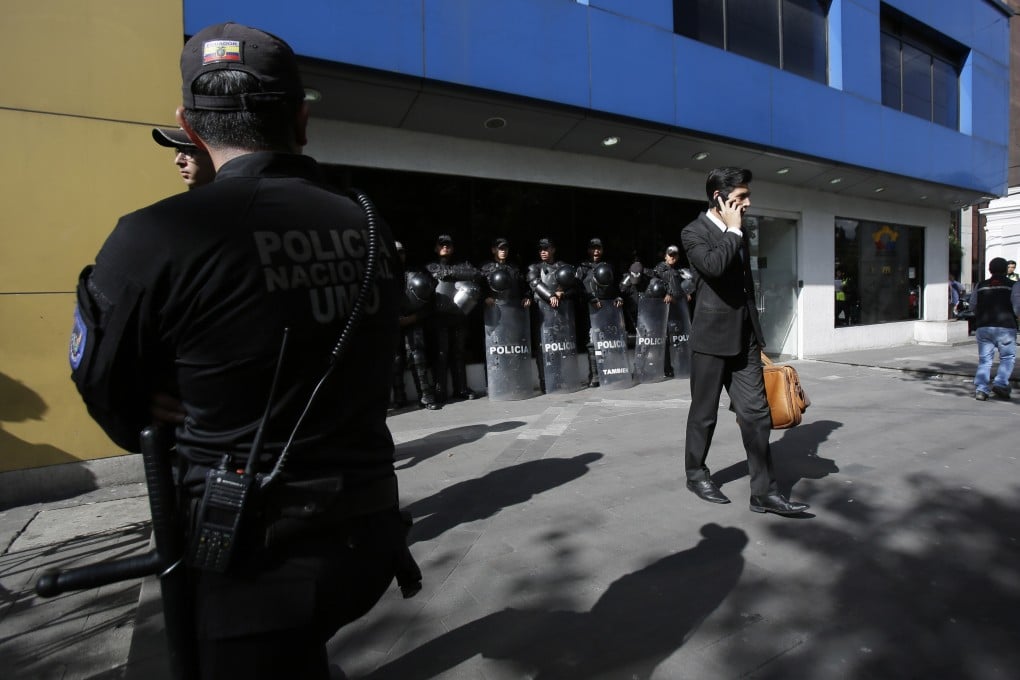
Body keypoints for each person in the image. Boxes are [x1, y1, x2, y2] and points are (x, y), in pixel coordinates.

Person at [69, 23, 418, 678]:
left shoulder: (156, 237)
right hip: (368, 536)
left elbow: (110, 397)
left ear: (188, 125)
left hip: (247, 559)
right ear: (302, 120)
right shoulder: (366, 219)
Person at [680, 167, 809, 516]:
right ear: (719, 200)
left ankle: (763, 492)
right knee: (704, 415)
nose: (748, 203)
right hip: (709, 341)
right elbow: (714, 267)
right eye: (740, 198)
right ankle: (695, 473)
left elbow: (745, 288)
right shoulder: (693, 232)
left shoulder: (740, 231)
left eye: (747, 197)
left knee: (757, 416)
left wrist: (756, 334)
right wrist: (733, 230)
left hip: (745, 341)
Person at [425, 234, 483, 402]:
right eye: (442, 245)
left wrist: (449, 272)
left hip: (458, 314)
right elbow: (429, 276)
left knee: (459, 353)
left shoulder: (461, 265)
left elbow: (475, 273)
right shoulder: (430, 266)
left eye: (448, 245)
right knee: (441, 354)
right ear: (436, 248)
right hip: (439, 316)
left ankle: (462, 389)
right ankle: (440, 390)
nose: (445, 247)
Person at [393, 241, 442, 410]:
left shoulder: (415, 275)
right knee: (395, 360)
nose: (399, 256)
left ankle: (426, 395)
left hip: (413, 319)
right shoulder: (383, 276)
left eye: (401, 252)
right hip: (392, 323)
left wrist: (413, 318)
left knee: (417, 356)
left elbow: (429, 303)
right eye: (395, 252)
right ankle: (399, 396)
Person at [528, 238, 580, 393]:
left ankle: (561, 378)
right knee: (543, 347)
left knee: (560, 347)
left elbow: (574, 287)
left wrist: (562, 293)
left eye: (546, 248)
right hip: (542, 314)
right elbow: (534, 283)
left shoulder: (563, 267)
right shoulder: (535, 267)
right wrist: (551, 295)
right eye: (540, 249)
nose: (543, 252)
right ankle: (546, 381)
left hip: (561, 314)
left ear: (553, 249)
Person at [969, 257, 1018, 401]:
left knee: (985, 360)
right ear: (1005, 270)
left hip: (984, 327)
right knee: (1007, 357)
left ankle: (981, 390)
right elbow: (1017, 308)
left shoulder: (980, 285)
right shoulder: (1013, 285)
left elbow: (972, 306)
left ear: (989, 270)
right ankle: (1000, 382)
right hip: (1006, 327)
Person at [577, 238, 623, 387]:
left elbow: (616, 286)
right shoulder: (583, 268)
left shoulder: (608, 266)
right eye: (593, 248)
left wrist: (618, 297)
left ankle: (610, 372)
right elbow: (578, 288)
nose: (596, 251)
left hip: (607, 310)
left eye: (599, 248)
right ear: (588, 250)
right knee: (592, 343)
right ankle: (595, 375)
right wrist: (589, 299)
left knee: (607, 342)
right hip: (591, 311)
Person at [480, 237, 531, 310]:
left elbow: (522, 285)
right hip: (493, 310)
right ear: (493, 250)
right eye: (500, 248)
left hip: (512, 309)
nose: (503, 251)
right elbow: (480, 287)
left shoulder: (514, 268)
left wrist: (526, 297)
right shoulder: (486, 268)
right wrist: (485, 298)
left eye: (505, 248)